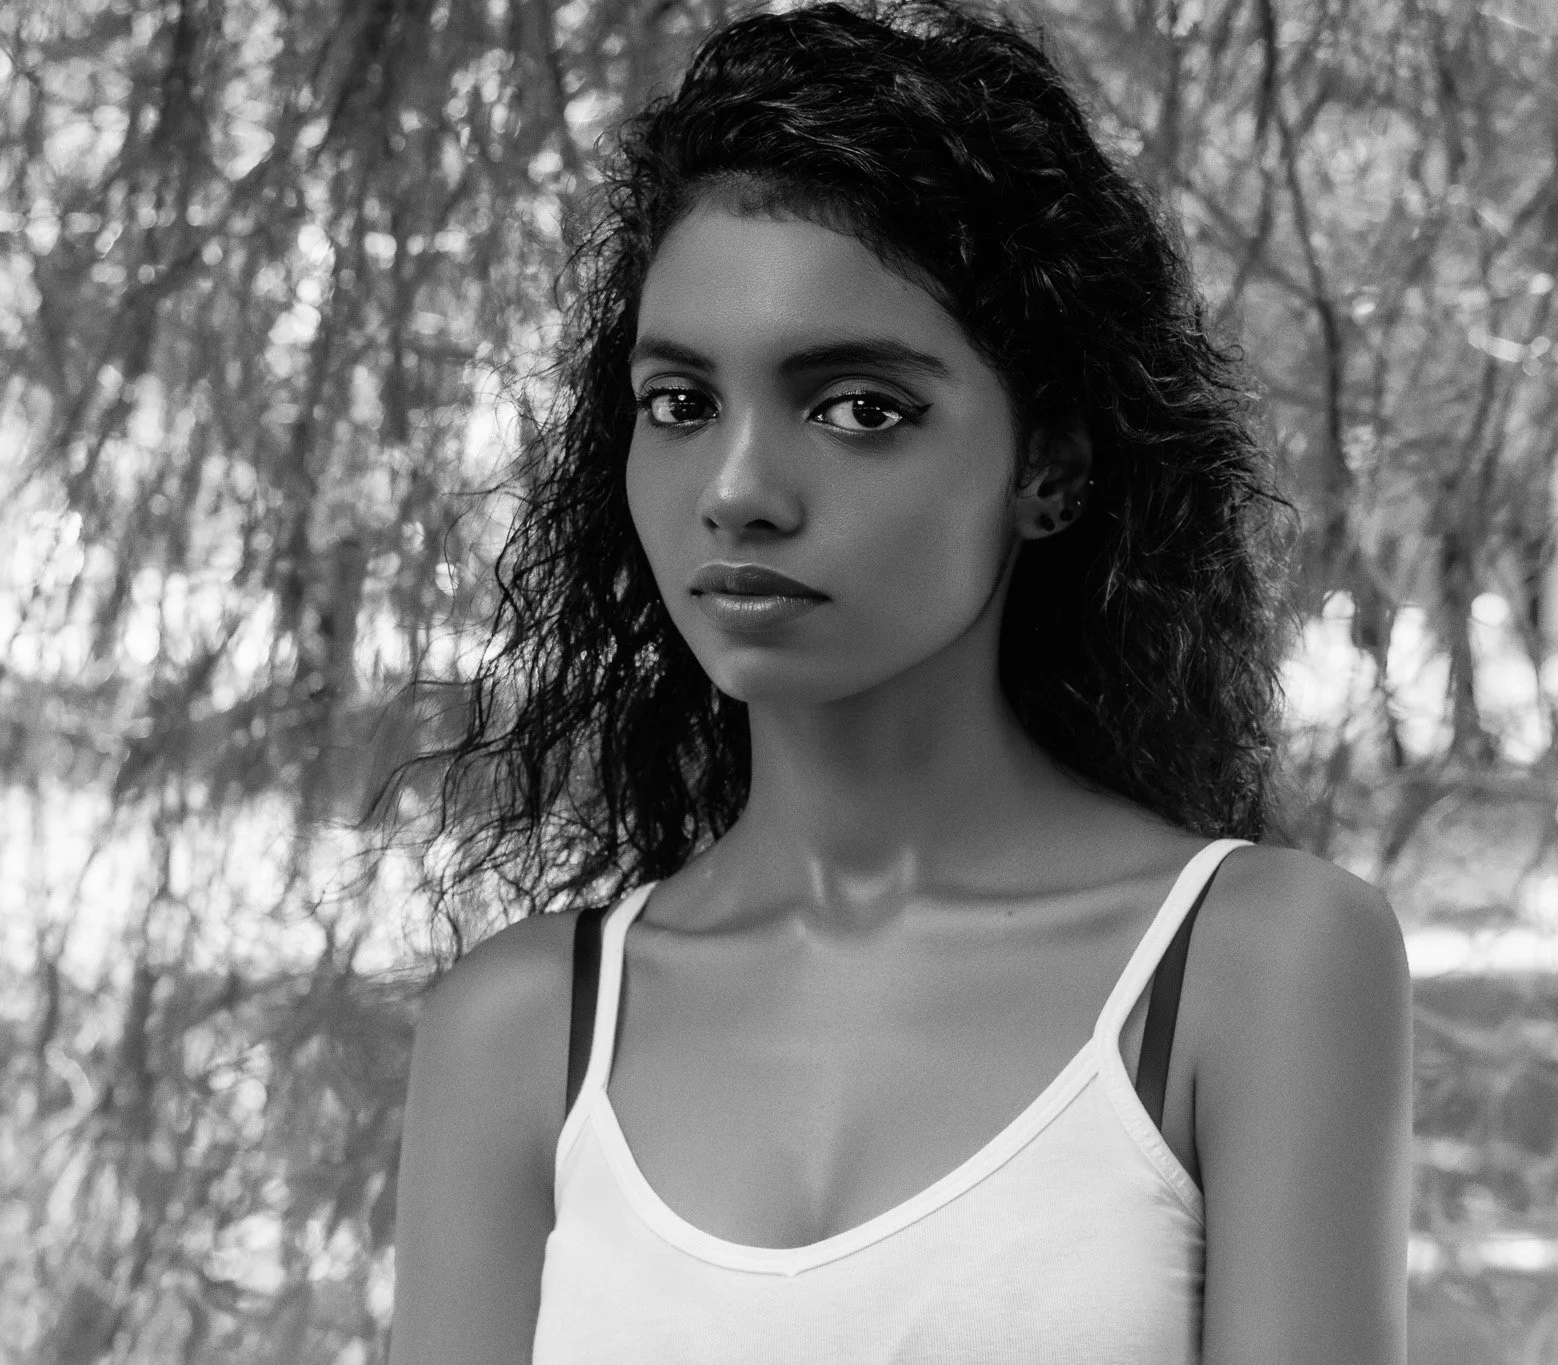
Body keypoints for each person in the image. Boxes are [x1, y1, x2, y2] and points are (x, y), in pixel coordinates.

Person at [388, 2, 1410, 1361]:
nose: (740, 491)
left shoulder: (1255, 966)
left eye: (858, 407)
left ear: (1047, 464)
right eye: (681, 404)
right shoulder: (518, 1033)